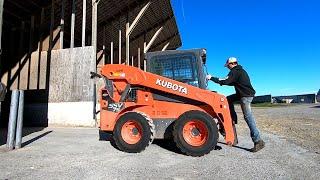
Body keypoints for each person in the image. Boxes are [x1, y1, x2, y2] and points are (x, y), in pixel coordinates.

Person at [206, 57, 265, 152]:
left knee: (248, 117)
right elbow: (231, 82)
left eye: (227, 66)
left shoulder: (235, 71)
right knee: (227, 99)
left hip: (245, 96)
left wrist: (211, 78)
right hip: (242, 94)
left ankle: (258, 141)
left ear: (231, 64)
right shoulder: (239, 71)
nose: (227, 68)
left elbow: (226, 80)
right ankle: (232, 117)